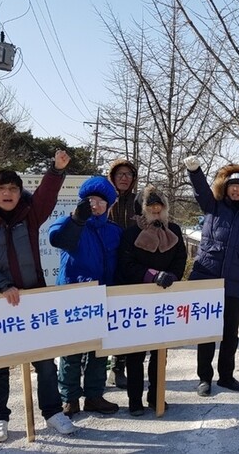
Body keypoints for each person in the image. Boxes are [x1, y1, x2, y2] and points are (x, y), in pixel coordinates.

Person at [0, 151, 78, 442]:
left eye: (13, 188)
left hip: (33, 299)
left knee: (46, 363)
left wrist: (56, 170)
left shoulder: (29, 215)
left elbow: (46, 196)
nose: (8, 194)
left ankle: (52, 412)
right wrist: (1, 286)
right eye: (2, 189)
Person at [183, 156, 239, 396]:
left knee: (230, 333)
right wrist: (195, 171)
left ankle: (226, 376)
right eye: (232, 186)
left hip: (235, 282)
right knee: (207, 332)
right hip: (208, 278)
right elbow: (200, 191)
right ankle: (204, 378)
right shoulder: (214, 206)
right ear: (225, 188)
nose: (236, 190)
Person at [49, 176, 122, 417]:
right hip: (74, 298)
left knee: (99, 352)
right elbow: (56, 238)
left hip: (104, 297)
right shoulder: (69, 223)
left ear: (109, 206)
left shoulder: (114, 232)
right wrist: (76, 220)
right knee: (71, 352)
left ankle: (94, 395)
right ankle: (69, 398)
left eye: (102, 201)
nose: (95, 205)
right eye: (90, 200)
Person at [115, 184, 187, 415]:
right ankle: (134, 399)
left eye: (159, 206)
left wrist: (171, 277)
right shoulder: (130, 233)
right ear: (142, 209)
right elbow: (126, 265)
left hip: (164, 300)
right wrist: (153, 275)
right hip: (137, 300)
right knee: (135, 354)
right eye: (151, 206)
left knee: (160, 354)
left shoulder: (174, 230)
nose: (156, 210)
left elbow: (180, 260)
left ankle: (156, 396)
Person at [106, 159, 139, 389]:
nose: (124, 178)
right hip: (105, 264)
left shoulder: (139, 201)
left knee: (125, 319)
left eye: (129, 174)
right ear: (112, 176)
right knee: (103, 319)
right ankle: (98, 368)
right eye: (120, 174)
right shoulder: (103, 198)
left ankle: (119, 366)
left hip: (130, 266)